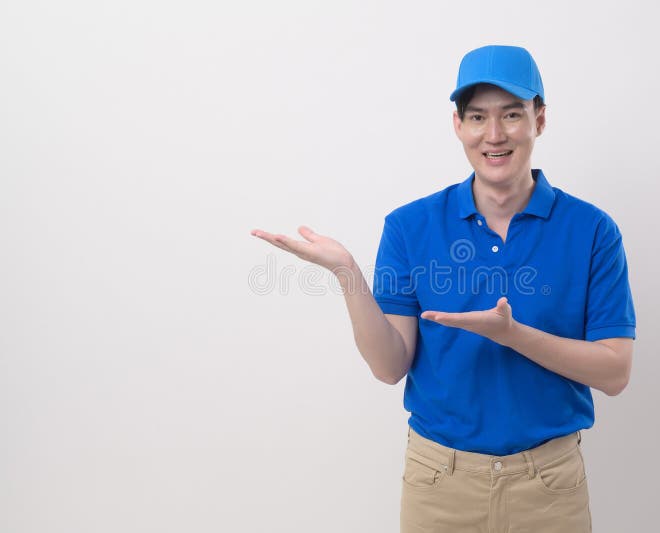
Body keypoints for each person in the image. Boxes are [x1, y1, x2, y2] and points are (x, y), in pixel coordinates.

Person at [251, 44, 635, 533]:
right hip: (440, 485)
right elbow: (389, 367)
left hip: (550, 488)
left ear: (540, 119)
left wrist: (513, 335)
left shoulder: (593, 231)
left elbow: (616, 372)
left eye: (512, 114)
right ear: (458, 126)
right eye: (477, 117)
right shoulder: (410, 227)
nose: (494, 135)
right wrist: (347, 273)